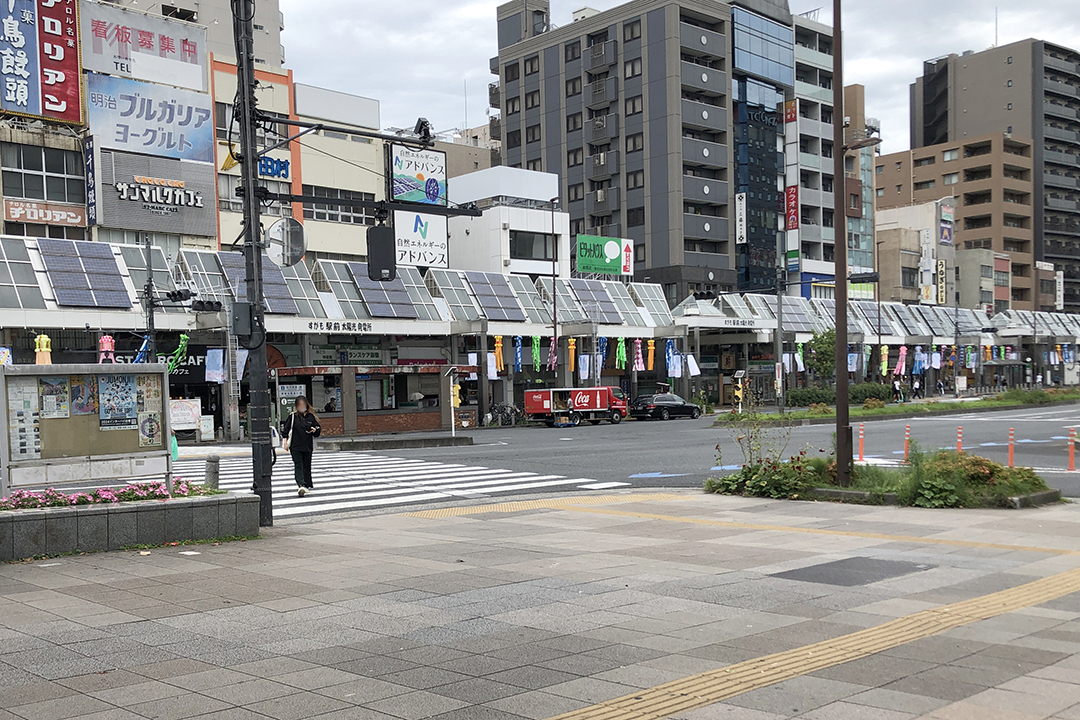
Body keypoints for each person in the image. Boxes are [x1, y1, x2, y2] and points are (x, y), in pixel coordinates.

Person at [282, 396, 321, 497]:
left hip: (307, 446)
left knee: (307, 465)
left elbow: (317, 429)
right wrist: (285, 443)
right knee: (298, 464)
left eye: (303, 404)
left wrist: (314, 430)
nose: (302, 406)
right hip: (295, 446)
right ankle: (301, 484)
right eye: (299, 405)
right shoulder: (293, 417)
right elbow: (285, 430)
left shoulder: (310, 417)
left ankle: (307, 484)